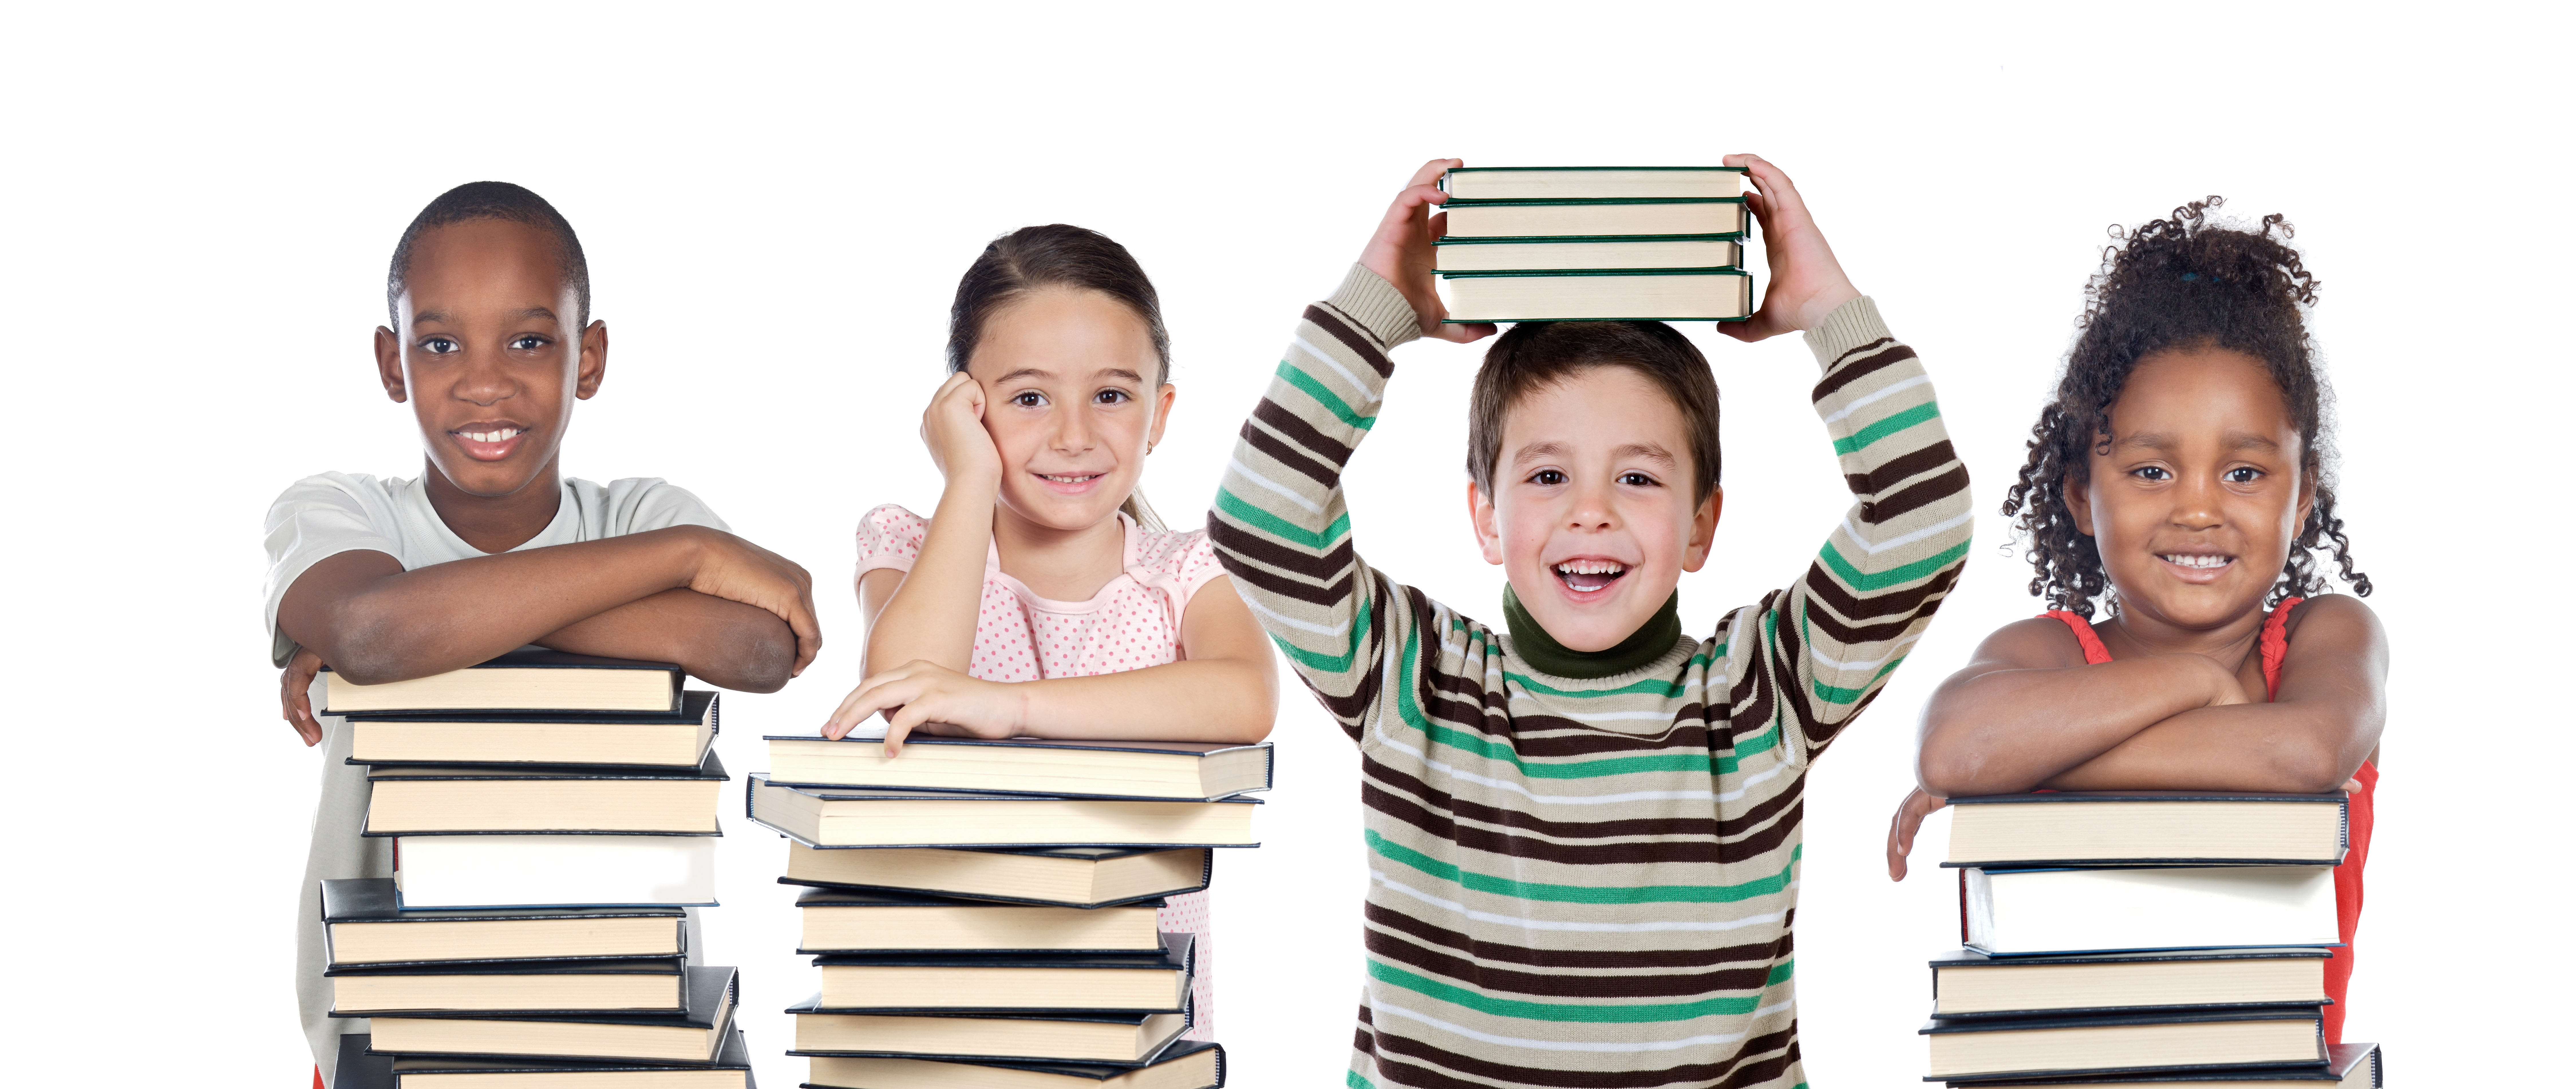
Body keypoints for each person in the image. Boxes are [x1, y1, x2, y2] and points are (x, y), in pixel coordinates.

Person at [1208, 156, 1971, 1088]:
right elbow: (1258, 516)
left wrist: (1828, 309)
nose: (1592, 511)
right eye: (1547, 475)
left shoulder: (1759, 691)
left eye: (1639, 477)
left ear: (1702, 524)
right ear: (1486, 518)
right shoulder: (1413, 677)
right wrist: (1378, 307)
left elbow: (1924, 522)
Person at [265, 182, 821, 1086]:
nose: (486, 380)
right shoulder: (339, 511)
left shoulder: (636, 511)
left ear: (589, 358)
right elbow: (370, 628)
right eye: (440, 343)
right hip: (391, 1039)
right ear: (392, 362)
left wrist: (430, 624)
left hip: (621, 1031)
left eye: (530, 340)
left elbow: (760, 647)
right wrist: (684, 559)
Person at [1881, 198, 2383, 1047]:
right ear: (2082, 492)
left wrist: (2021, 759)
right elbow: (1953, 743)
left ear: (2303, 502)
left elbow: (2303, 752)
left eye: (2245, 472)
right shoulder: (2044, 651)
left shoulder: (2326, 638)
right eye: (2152, 468)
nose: (2197, 507)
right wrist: (2196, 681)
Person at [820, 224, 1279, 1040]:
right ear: (967, 406)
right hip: (961, 1010)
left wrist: (1013, 707)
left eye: (1111, 395)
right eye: (1029, 397)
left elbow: (1245, 695)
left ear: (1159, 412)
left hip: (1136, 1017)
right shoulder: (909, 543)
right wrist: (970, 474)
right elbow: (906, 681)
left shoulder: (1186, 571)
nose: (1074, 435)